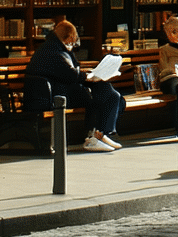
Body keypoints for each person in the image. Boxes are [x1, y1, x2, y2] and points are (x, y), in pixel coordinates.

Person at [25, 20, 125, 152]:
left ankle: (100, 133)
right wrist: (90, 76)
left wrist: (90, 76)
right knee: (103, 92)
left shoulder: (51, 47)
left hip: (54, 91)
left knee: (108, 92)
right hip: (54, 95)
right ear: (71, 37)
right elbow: (71, 74)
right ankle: (97, 135)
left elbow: (69, 72)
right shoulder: (54, 51)